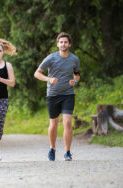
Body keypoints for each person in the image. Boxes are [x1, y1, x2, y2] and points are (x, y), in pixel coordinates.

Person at [34, 32, 80, 161]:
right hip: (53, 95)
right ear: (57, 44)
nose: (63, 44)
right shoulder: (50, 58)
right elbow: (37, 73)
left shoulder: (74, 59)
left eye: (65, 42)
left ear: (69, 44)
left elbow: (77, 74)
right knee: (53, 124)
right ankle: (52, 148)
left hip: (68, 94)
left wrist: (75, 81)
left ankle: (67, 152)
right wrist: (48, 79)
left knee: (67, 122)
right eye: (61, 42)